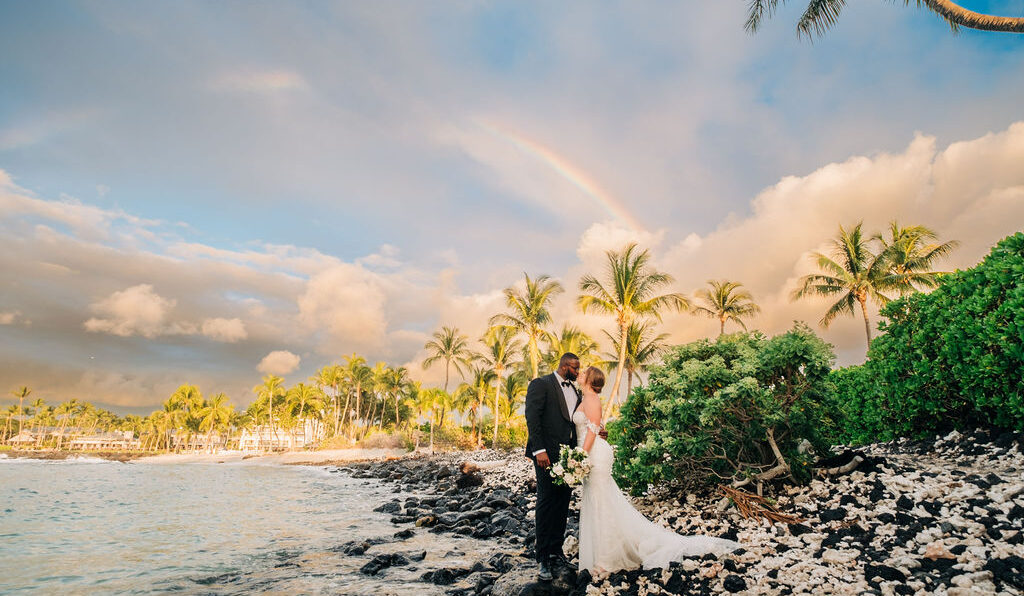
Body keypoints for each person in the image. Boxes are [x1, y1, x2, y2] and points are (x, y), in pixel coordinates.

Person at [574, 366, 740, 573]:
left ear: (590, 379)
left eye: (584, 372)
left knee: (602, 503)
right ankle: (603, 551)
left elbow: (592, 430)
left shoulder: (591, 399)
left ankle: (607, 559)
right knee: (598, 500)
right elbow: (594, 427)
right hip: (590, 451)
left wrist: (580, 454)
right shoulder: (584, 398)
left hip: (593, 453)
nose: (579, 374)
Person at [524, 352, 593, 582]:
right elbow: (532, 417)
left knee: (562, 502)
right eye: (575, 368)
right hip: (546, 454)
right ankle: (542, 558)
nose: (578, 372)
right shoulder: (541, 384)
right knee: (546, 502)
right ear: (565, 366)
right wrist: (538, 450)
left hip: (568, 458)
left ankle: (556, 552)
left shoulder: (574, 390)